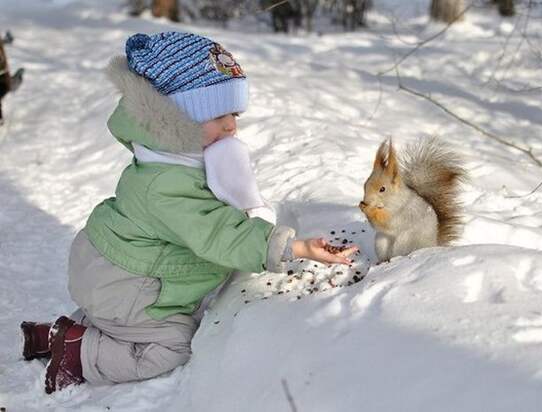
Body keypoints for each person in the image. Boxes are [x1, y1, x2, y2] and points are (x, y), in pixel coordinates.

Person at [20, 31, 358, 394]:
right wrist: (295, 248)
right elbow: (215, 231)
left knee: (121, 320)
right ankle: (77, 352)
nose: (231, 126)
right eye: (216, 115)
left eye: (234, 113)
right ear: (176, 120)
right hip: (132, 287)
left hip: (117, 274)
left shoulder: (170, 157)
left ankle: (55, 333)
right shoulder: (168, 183)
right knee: (171, 346)